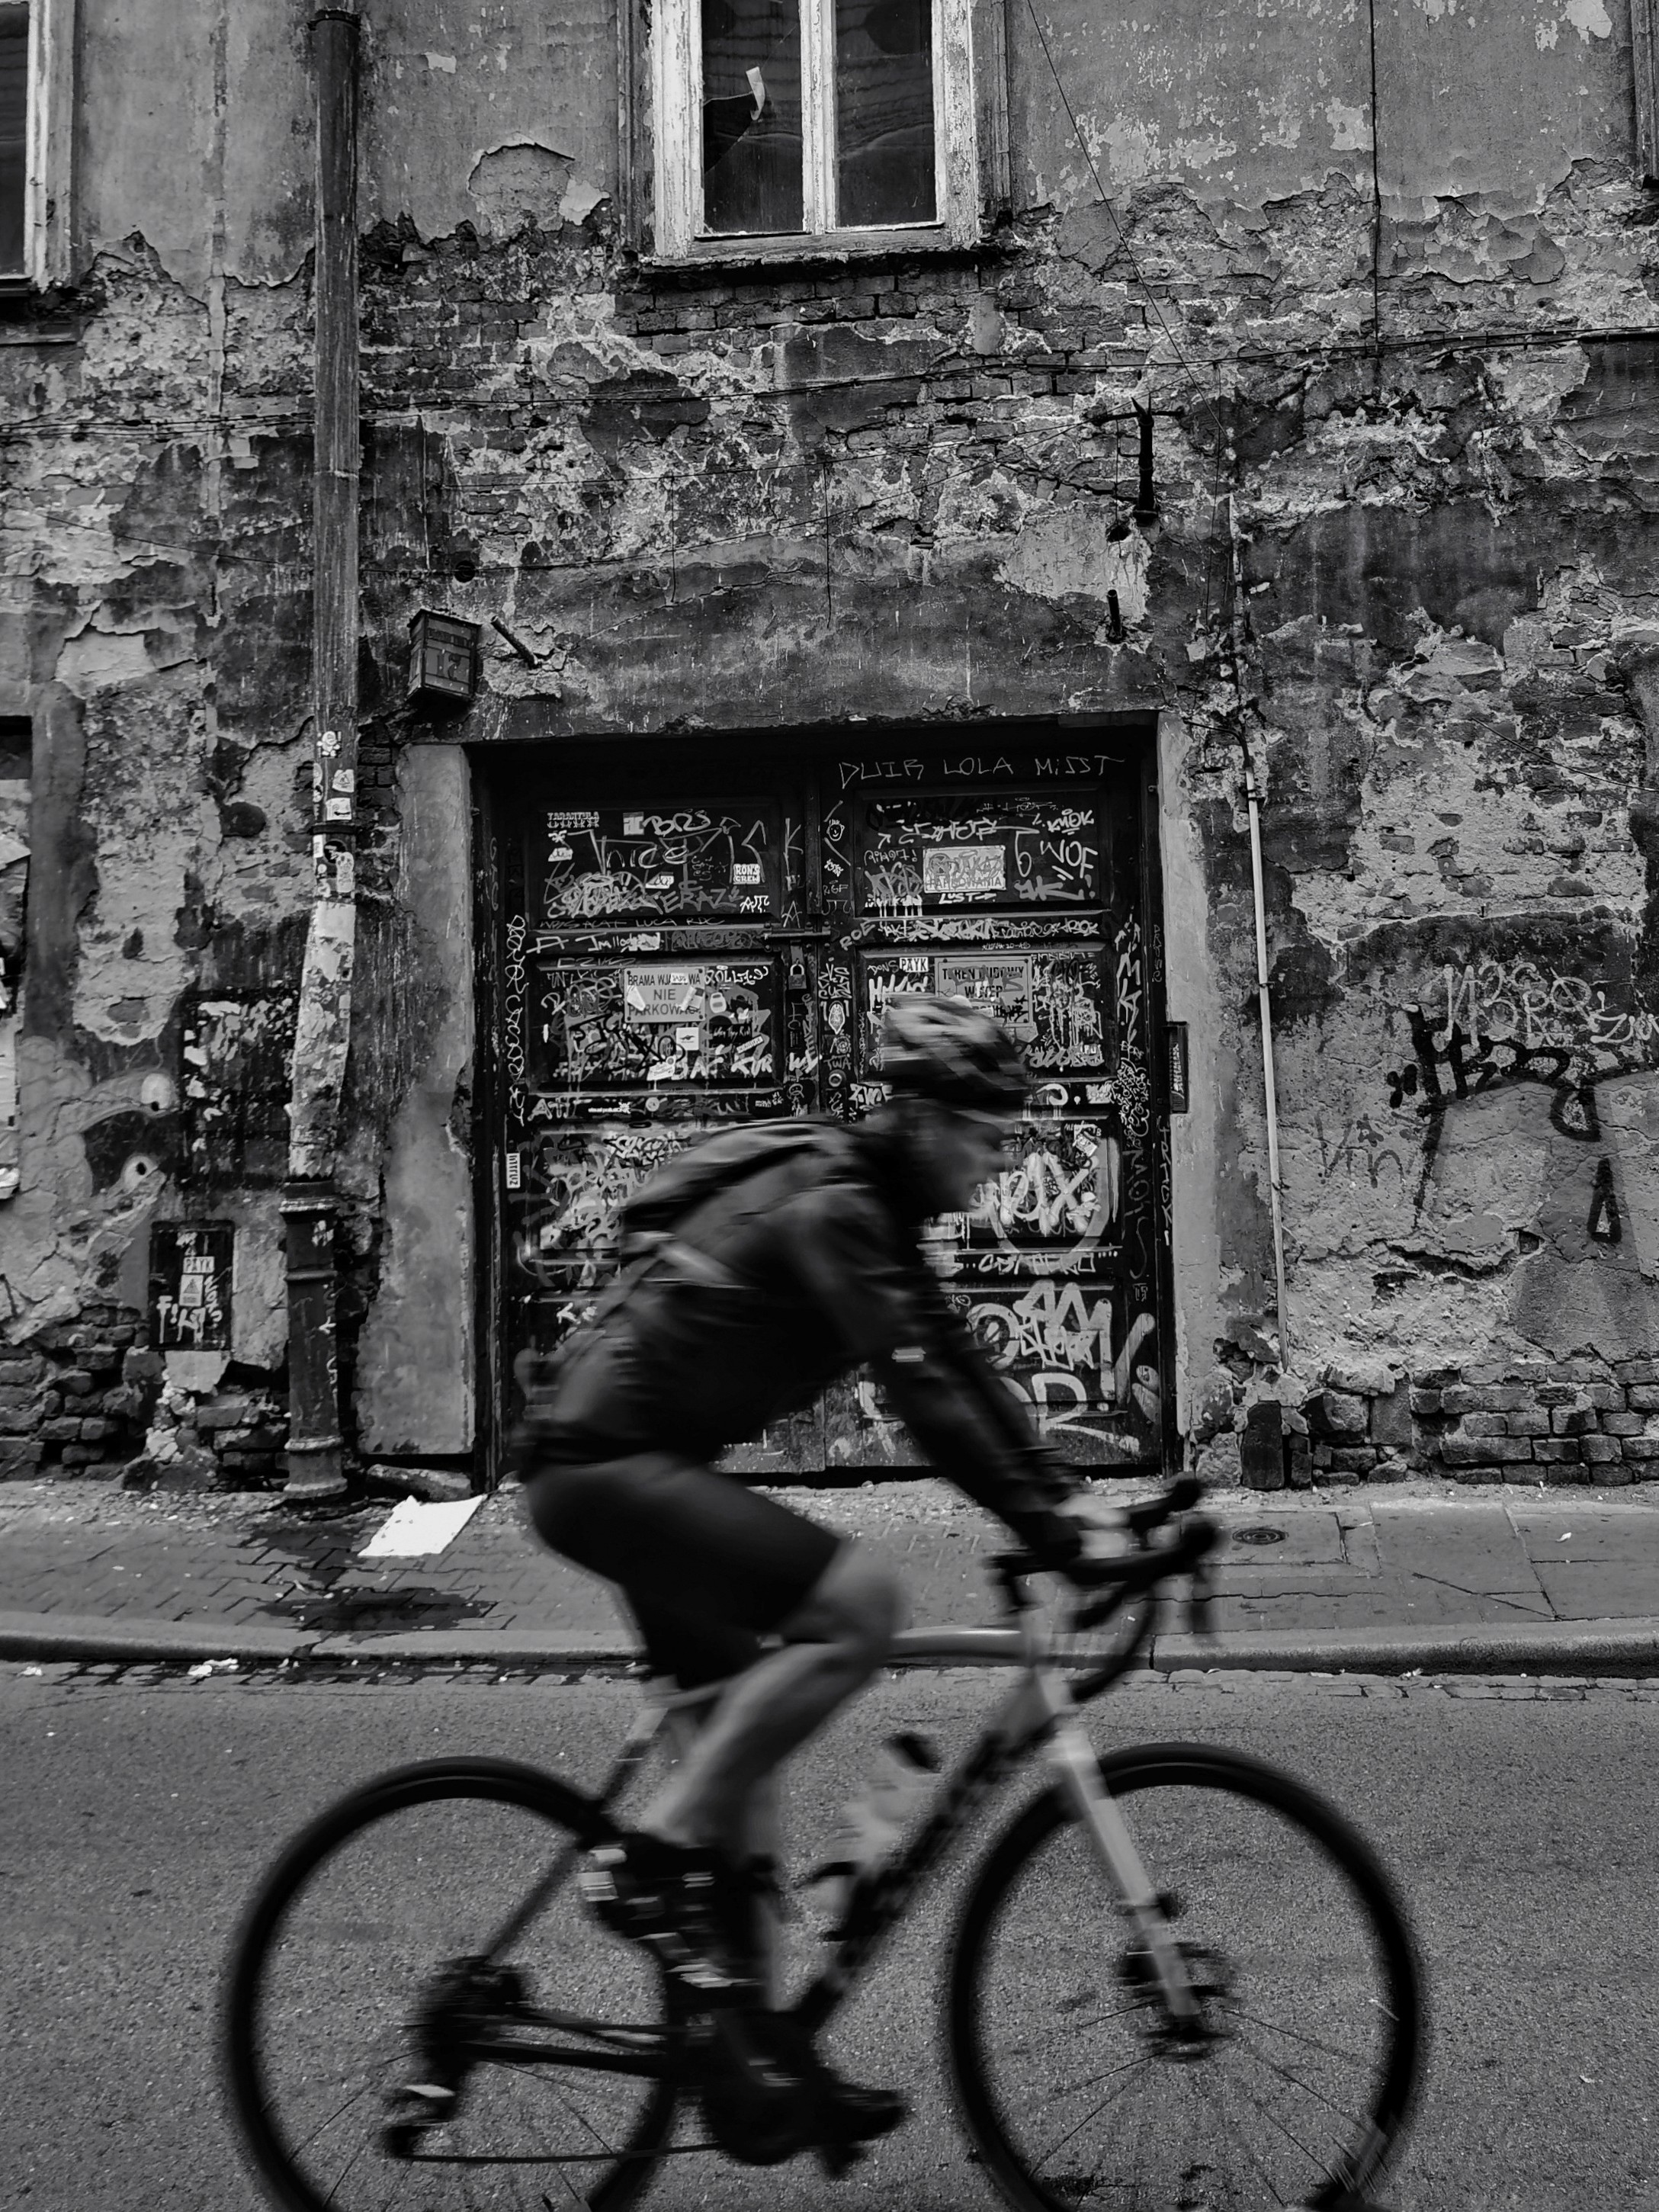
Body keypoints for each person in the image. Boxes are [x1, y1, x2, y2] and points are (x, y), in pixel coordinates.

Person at [512, 996, 1122, 2138]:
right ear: (932, 1118)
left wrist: (1073, 1502)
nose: (998, 1167)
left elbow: (955, 1364)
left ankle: (760, 2056)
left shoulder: (872, 1211)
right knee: (860, 1607)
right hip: (602, 1462)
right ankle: (640, 1860)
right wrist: (1053, 1533)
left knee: (745, 1792)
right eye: (989, 1139)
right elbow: (927, 1398)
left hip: (639, 1462)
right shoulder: (841, 1205)